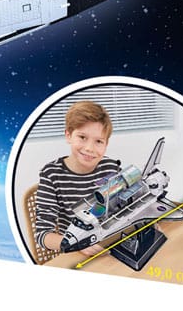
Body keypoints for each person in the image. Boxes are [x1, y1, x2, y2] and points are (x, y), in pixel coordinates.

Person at [35, 100, 120, 257]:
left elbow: (126, 204)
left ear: (106, 144)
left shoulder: (111, 167)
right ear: (68, 135)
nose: (89, 148)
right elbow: (42, 235)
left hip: (111, 246)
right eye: (82, 137)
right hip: (78, 253)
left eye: (99, 141)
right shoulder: (51, 174)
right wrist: (76, 244)